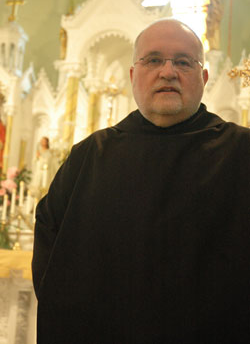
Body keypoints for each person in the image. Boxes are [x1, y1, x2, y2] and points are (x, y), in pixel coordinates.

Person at [32, 19, 250, 344]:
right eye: (153, 60)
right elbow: (52, 261)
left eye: (183, 62)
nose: (168, 71)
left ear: (203, 77)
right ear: (133, 75)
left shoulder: (242, 154)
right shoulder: (89, 158)